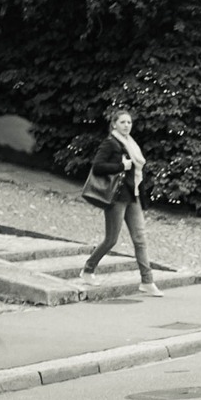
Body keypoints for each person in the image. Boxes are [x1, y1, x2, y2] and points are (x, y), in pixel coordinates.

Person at [81, 109, 162, 297]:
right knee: (111, 240)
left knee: (140, 239)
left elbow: (137, 173)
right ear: (114, 124)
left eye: (129, 122)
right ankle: (88, 269)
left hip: (132, 197)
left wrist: (142, 198)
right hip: (116, 198)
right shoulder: (110, 143)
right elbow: (97, 166)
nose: (127, 125)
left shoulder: (132, 145)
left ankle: (147, 281)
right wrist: (121, 166)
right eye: (123, 122)